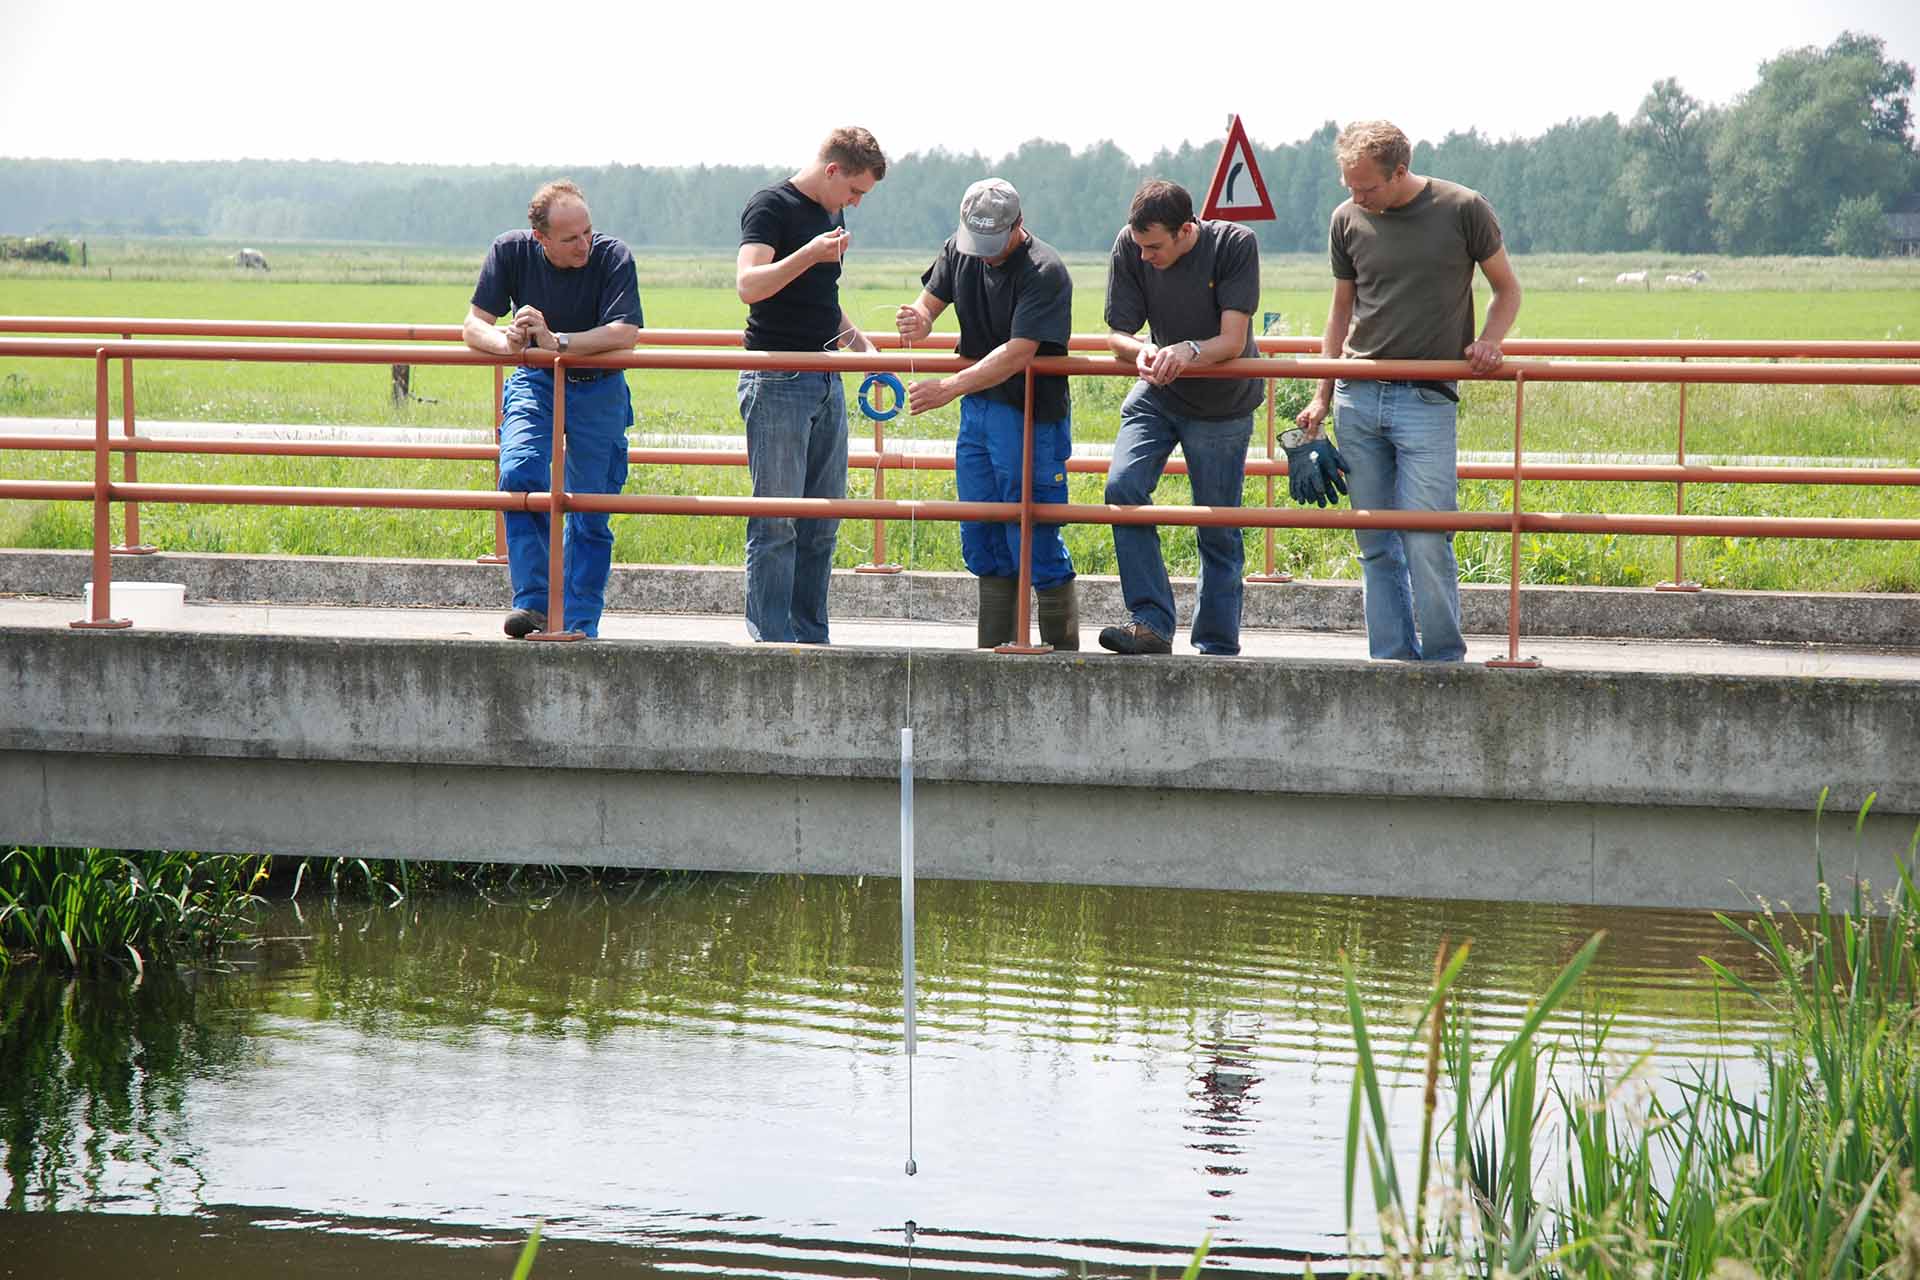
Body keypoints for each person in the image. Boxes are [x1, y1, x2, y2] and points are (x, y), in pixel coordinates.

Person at [1295, 120, 1522, 662]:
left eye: (1367, 187)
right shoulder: (1346, 219)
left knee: (1426, 537)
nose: (1357, 197)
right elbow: (1340, 311)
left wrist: (1489, 342)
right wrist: (1321, 396)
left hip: (1426, 399)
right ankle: (1392, 661)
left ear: (1400, 171)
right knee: (1375, 543)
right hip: (1357, 393)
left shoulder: (1464, 208)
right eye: (1349, 186)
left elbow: (1506, 289)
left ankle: (1445, 661)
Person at [894, 178, 1078, 650]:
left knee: (1032, 534)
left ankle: (1064, 659)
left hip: (1028, 413)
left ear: (1018, 226)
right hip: (979, 411)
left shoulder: (1045, 271)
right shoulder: (959, 251)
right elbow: (930, 303)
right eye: (977, 244)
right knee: (981, 533)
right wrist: (919, 319)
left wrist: (949, 387)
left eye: (993, 245)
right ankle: (993, 655)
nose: (984, 254)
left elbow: (1020, 351)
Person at [463, 179, 642, 640]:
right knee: (519, 473)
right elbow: (472, 327)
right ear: (539, 239)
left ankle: (580, 622)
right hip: (536, 380)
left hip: (598, 386)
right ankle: (537, 603)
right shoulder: (509, 252)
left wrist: (556, 341)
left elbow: (624, 332)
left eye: (587, 232)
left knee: (588, 504)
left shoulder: (612, 255)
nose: (584, 244)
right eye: (570, 239)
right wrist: (509, 342)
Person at [734, 126, 888, 644]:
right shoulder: (770, 206)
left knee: (823, 520)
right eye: (855, 192)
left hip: (826, 376)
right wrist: (808, 254)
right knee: (777, 523)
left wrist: (859, 344)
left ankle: (811, 637)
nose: (856, 204)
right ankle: (771, 642)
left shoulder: (831, 212)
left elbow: (822, 298)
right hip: (776, 377)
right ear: (832, 171)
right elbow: (748, 285)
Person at [1098, 179, 1262, 657]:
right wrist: (1144, 351)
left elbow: (1232, 341)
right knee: (1122, 489)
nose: (1145, 256)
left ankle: (1215, 644)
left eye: (1155, 247)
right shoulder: (1131, 246)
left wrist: (1188, 351)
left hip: (1222, 403)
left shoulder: (1234, 245)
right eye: (1140, 246)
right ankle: (1150, 622)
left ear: (1187, 230)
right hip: (1158, 392)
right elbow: (1117, 336)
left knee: (1216, 526)